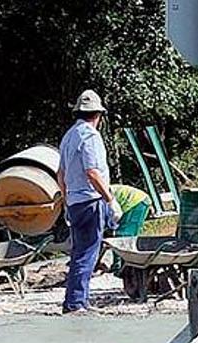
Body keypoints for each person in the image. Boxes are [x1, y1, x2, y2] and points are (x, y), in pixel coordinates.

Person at [57, 89, 122, 314]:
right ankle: (76, 303)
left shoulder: (69, 136)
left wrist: (67, 201)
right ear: (98, 116)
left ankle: (78, 300)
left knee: (80, 252)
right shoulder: (91, 137)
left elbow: (61, 174)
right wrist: (111, 200)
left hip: (75, 201)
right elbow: (93, 173)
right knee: (87, 253)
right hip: (90, 201)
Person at [107, 184, 152, 274]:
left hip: (137, 202)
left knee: (123, 235)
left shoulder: (100, 196)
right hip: (135, 201)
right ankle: (121, 265)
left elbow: (115, 214)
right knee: (122, 235)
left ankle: (121, 267)